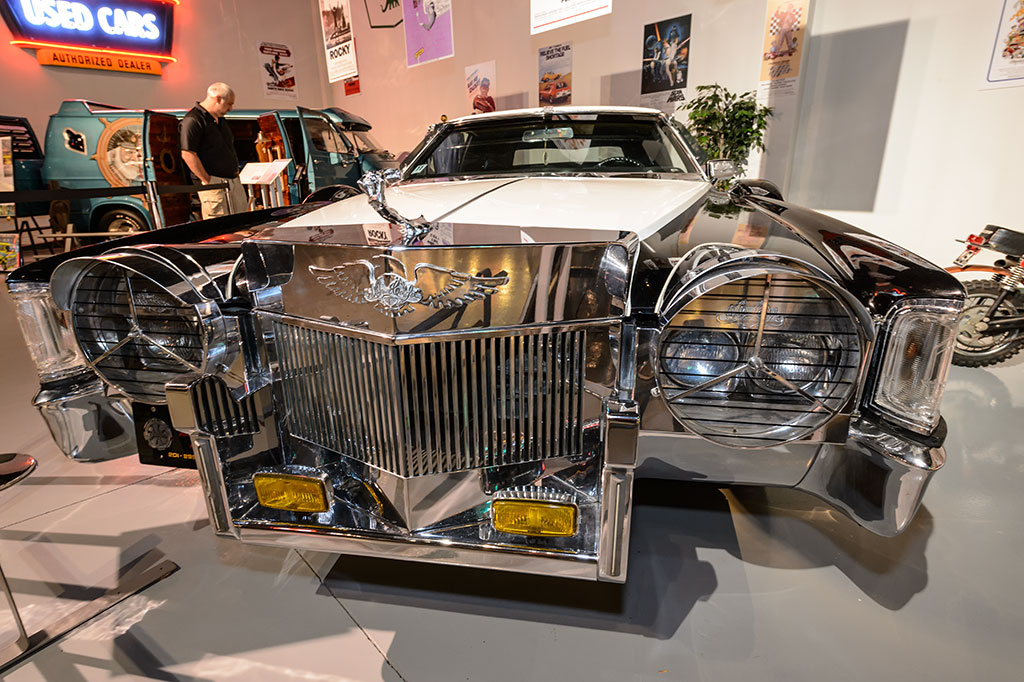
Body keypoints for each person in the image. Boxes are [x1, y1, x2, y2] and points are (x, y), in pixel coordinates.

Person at [180, 83, 247, 219]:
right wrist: (207, 180)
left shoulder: (220, 120)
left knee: (242, 221)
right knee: (220, 225)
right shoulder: (193, 120)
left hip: (233, 180)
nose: (231, 108)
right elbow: (187, 153)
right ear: (218, 99)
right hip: (214, 182)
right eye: (229, 104)